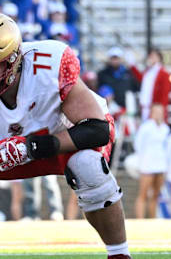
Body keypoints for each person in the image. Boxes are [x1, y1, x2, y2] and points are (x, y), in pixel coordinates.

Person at [0, 14, 131, 258]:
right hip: (8, 145)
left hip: (63, 137)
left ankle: (119, 253)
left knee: (89, 166)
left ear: (14, 59)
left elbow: (96, 129)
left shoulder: (48, 63)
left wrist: (31, 147)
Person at [133, 103, 169, 219]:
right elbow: (138, 144)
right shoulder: (146, 127)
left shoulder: (165, 128)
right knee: (143, 194)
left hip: (160, 165)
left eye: (160, 112)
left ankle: (152, 219)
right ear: (152, 113)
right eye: (156, 112)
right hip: (147, 165)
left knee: (156, 195)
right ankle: (140, 219)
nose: (159, 114)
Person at [130, 48, 171, 121]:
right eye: (150, 56)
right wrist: (132, 65)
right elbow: (141, 78)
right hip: (145, 107)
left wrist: (161, 110)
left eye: (153, 56)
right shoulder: (148, 71)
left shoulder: (163, 73)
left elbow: (165, 93)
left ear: (159, 58)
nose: (150, 58)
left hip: (155, 108)